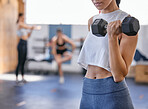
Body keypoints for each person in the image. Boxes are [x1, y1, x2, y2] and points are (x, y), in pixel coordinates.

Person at [77, 0, 138, 108]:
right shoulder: (92, 21)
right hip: (87, 88)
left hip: (111, 91)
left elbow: (119, 75)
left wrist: (112, 37)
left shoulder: (126, 22)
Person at [15, 13, 35, 84]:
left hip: (25, 43)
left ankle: (22, 78)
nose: (24, 18)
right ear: (20, 17)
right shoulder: (20, 24)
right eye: (23, 16)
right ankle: (17, 78)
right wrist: (32, 27)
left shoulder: (24, 26)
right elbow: (27, 27)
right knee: (20, 61)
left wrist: (32, 30)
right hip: (21, 44)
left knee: (23, 61)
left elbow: (28, 35)